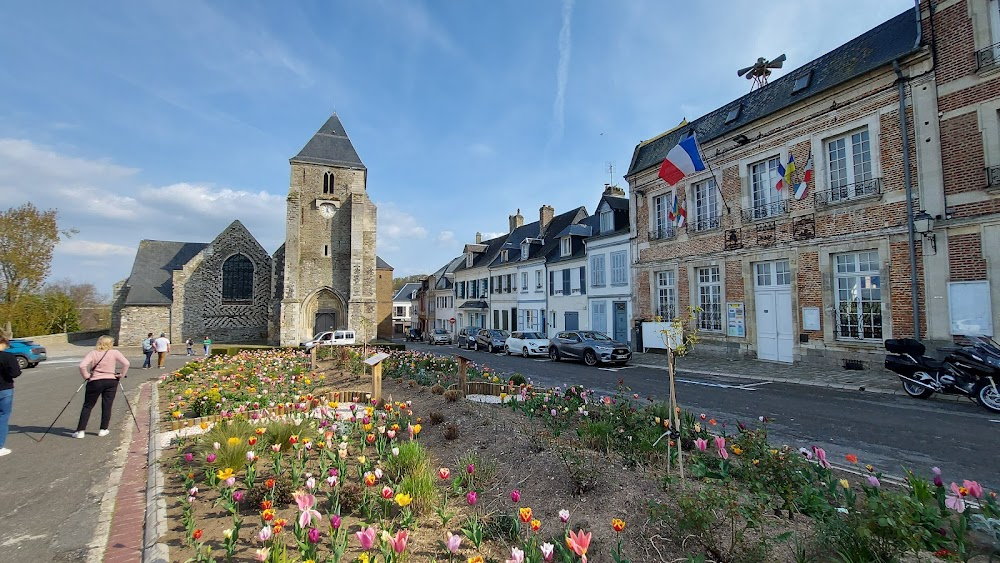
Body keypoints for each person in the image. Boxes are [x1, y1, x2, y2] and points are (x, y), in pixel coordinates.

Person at [74, 335, 130, 439]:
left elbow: (82, 365)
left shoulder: (93, 353)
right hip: (111, 380)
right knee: (107, 405)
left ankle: (80, 431)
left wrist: (86, 376)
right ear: (109, 344)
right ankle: (103, 429)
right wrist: (121, 375)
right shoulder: (115, 353)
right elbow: (126, 363)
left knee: (88, 406)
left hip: (95, 381)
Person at [0, 335, 22, 456]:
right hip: (5, 388)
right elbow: (15, 373)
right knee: (3, 416)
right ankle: (0, 446)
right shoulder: (8, 356)